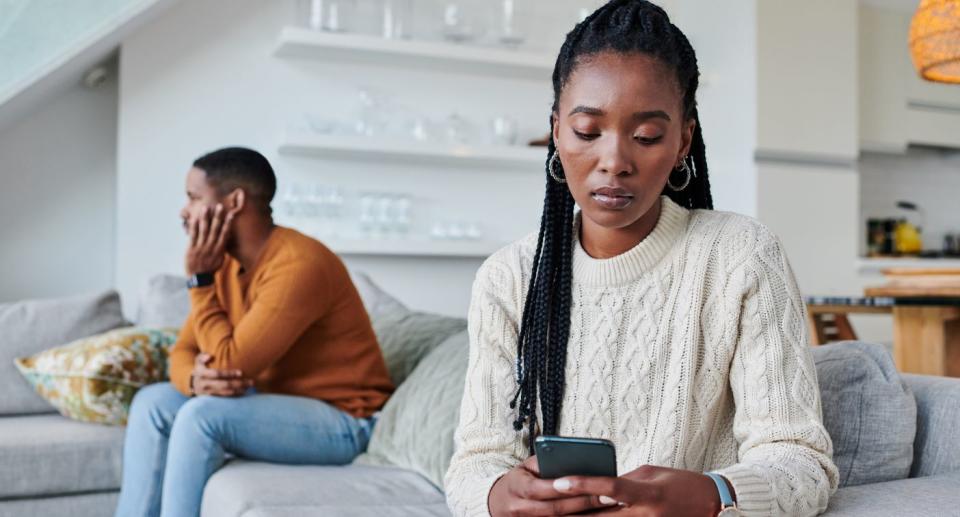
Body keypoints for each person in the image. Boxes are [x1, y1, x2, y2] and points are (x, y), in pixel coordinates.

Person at [444, 2, 839, 516]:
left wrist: (711, 495)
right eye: (588, 131)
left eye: (647, 136)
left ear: (683, 142)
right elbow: (476, 462)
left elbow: (802, 461)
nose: (614, 161)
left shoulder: (741, 256)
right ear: (557, 131)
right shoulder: (509, 278)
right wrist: (497, 496)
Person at [115, 147, 394, 517]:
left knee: (203, 417)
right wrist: (196, 382)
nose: (184, 211)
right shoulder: (225, 264)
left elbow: (232, 362)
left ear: (234, 202)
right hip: (275, 401)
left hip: (344, 421)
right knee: (152, 403)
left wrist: (200, 281)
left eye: (194, 198)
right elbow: (182, 351)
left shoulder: (298, 264)